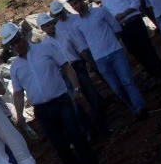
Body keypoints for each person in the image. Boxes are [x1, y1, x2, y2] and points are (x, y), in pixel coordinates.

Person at [0, 21, 110, 164]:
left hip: (61, 101)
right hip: (42, 111)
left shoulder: (46, 48)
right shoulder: (15, 67)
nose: (17, 45)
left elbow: (67, 67)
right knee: (62, 150)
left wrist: (76, 89)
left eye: (18, 40)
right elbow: (18, 93)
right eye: (12, 44)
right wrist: (19, 116)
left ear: (22, 37)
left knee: (78, 139)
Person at [68, 0, 148, 119]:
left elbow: (116, 28)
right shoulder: (77, 24)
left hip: (115, 52)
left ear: (82, 0)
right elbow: (83, 45)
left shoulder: (100, 11)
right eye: (72, 5)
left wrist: (111, 43)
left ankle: (140, 107)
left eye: (76, 3)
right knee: (116, 87)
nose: (75, 7)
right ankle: (132, 107)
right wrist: (89, 60)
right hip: (99, 58)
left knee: (127, 81)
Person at [40, 7, 111, 139]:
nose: (50, 26)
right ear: (42, 28)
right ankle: (90, 131)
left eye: (51, 23)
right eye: (47, 25)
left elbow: (80, 48)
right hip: (64, 74)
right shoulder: (44, 46)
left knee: (92, 95)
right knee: (75, 103)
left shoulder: (65, 34)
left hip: (77, 66)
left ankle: (103, 124)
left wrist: (88, 61)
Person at [96, 0, 161, 86]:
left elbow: (135, 3)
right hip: (122, 28)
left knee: (147, 48)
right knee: (136, 52)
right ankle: (152, 74)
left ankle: (160, 74)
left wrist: (124, 13)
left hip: (134, 22)